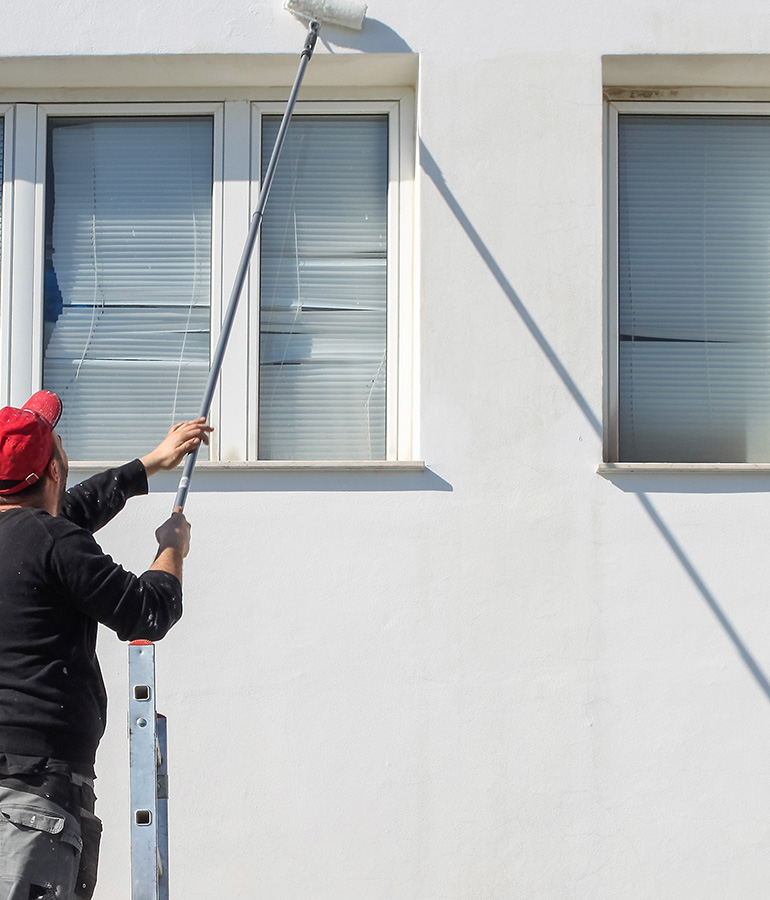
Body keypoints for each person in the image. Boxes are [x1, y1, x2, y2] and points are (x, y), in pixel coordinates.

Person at [0, 390, 212, 900]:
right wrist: (172, 548)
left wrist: (149, 465)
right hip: (33, 792)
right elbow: (149, 611)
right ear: (53, 469)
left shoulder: (38, 537)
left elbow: (64, 515)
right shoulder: (52, 543)